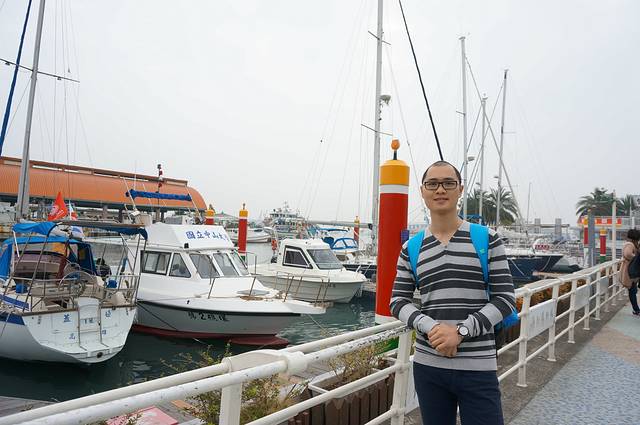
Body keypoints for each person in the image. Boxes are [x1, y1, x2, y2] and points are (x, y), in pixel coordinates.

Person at [390, 160, 516, 425]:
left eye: (448, 183)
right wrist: (432, 327)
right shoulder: (411, 248)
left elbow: (505, 299)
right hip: (428, 366)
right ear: (423, 191)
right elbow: (398, 302)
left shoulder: (486, 239)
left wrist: (460, 331)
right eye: (432, 184)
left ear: (460, 189)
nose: (440, 190)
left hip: (478, 367)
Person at [620, 228, 640, 316]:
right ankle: (636, 310)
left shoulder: (632, 244)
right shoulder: (630, 244)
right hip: (630, 271)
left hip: (632, 271)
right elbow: (627, 254)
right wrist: (636, 258)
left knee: (633, 290)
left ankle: (636, 310)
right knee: (632, 290)